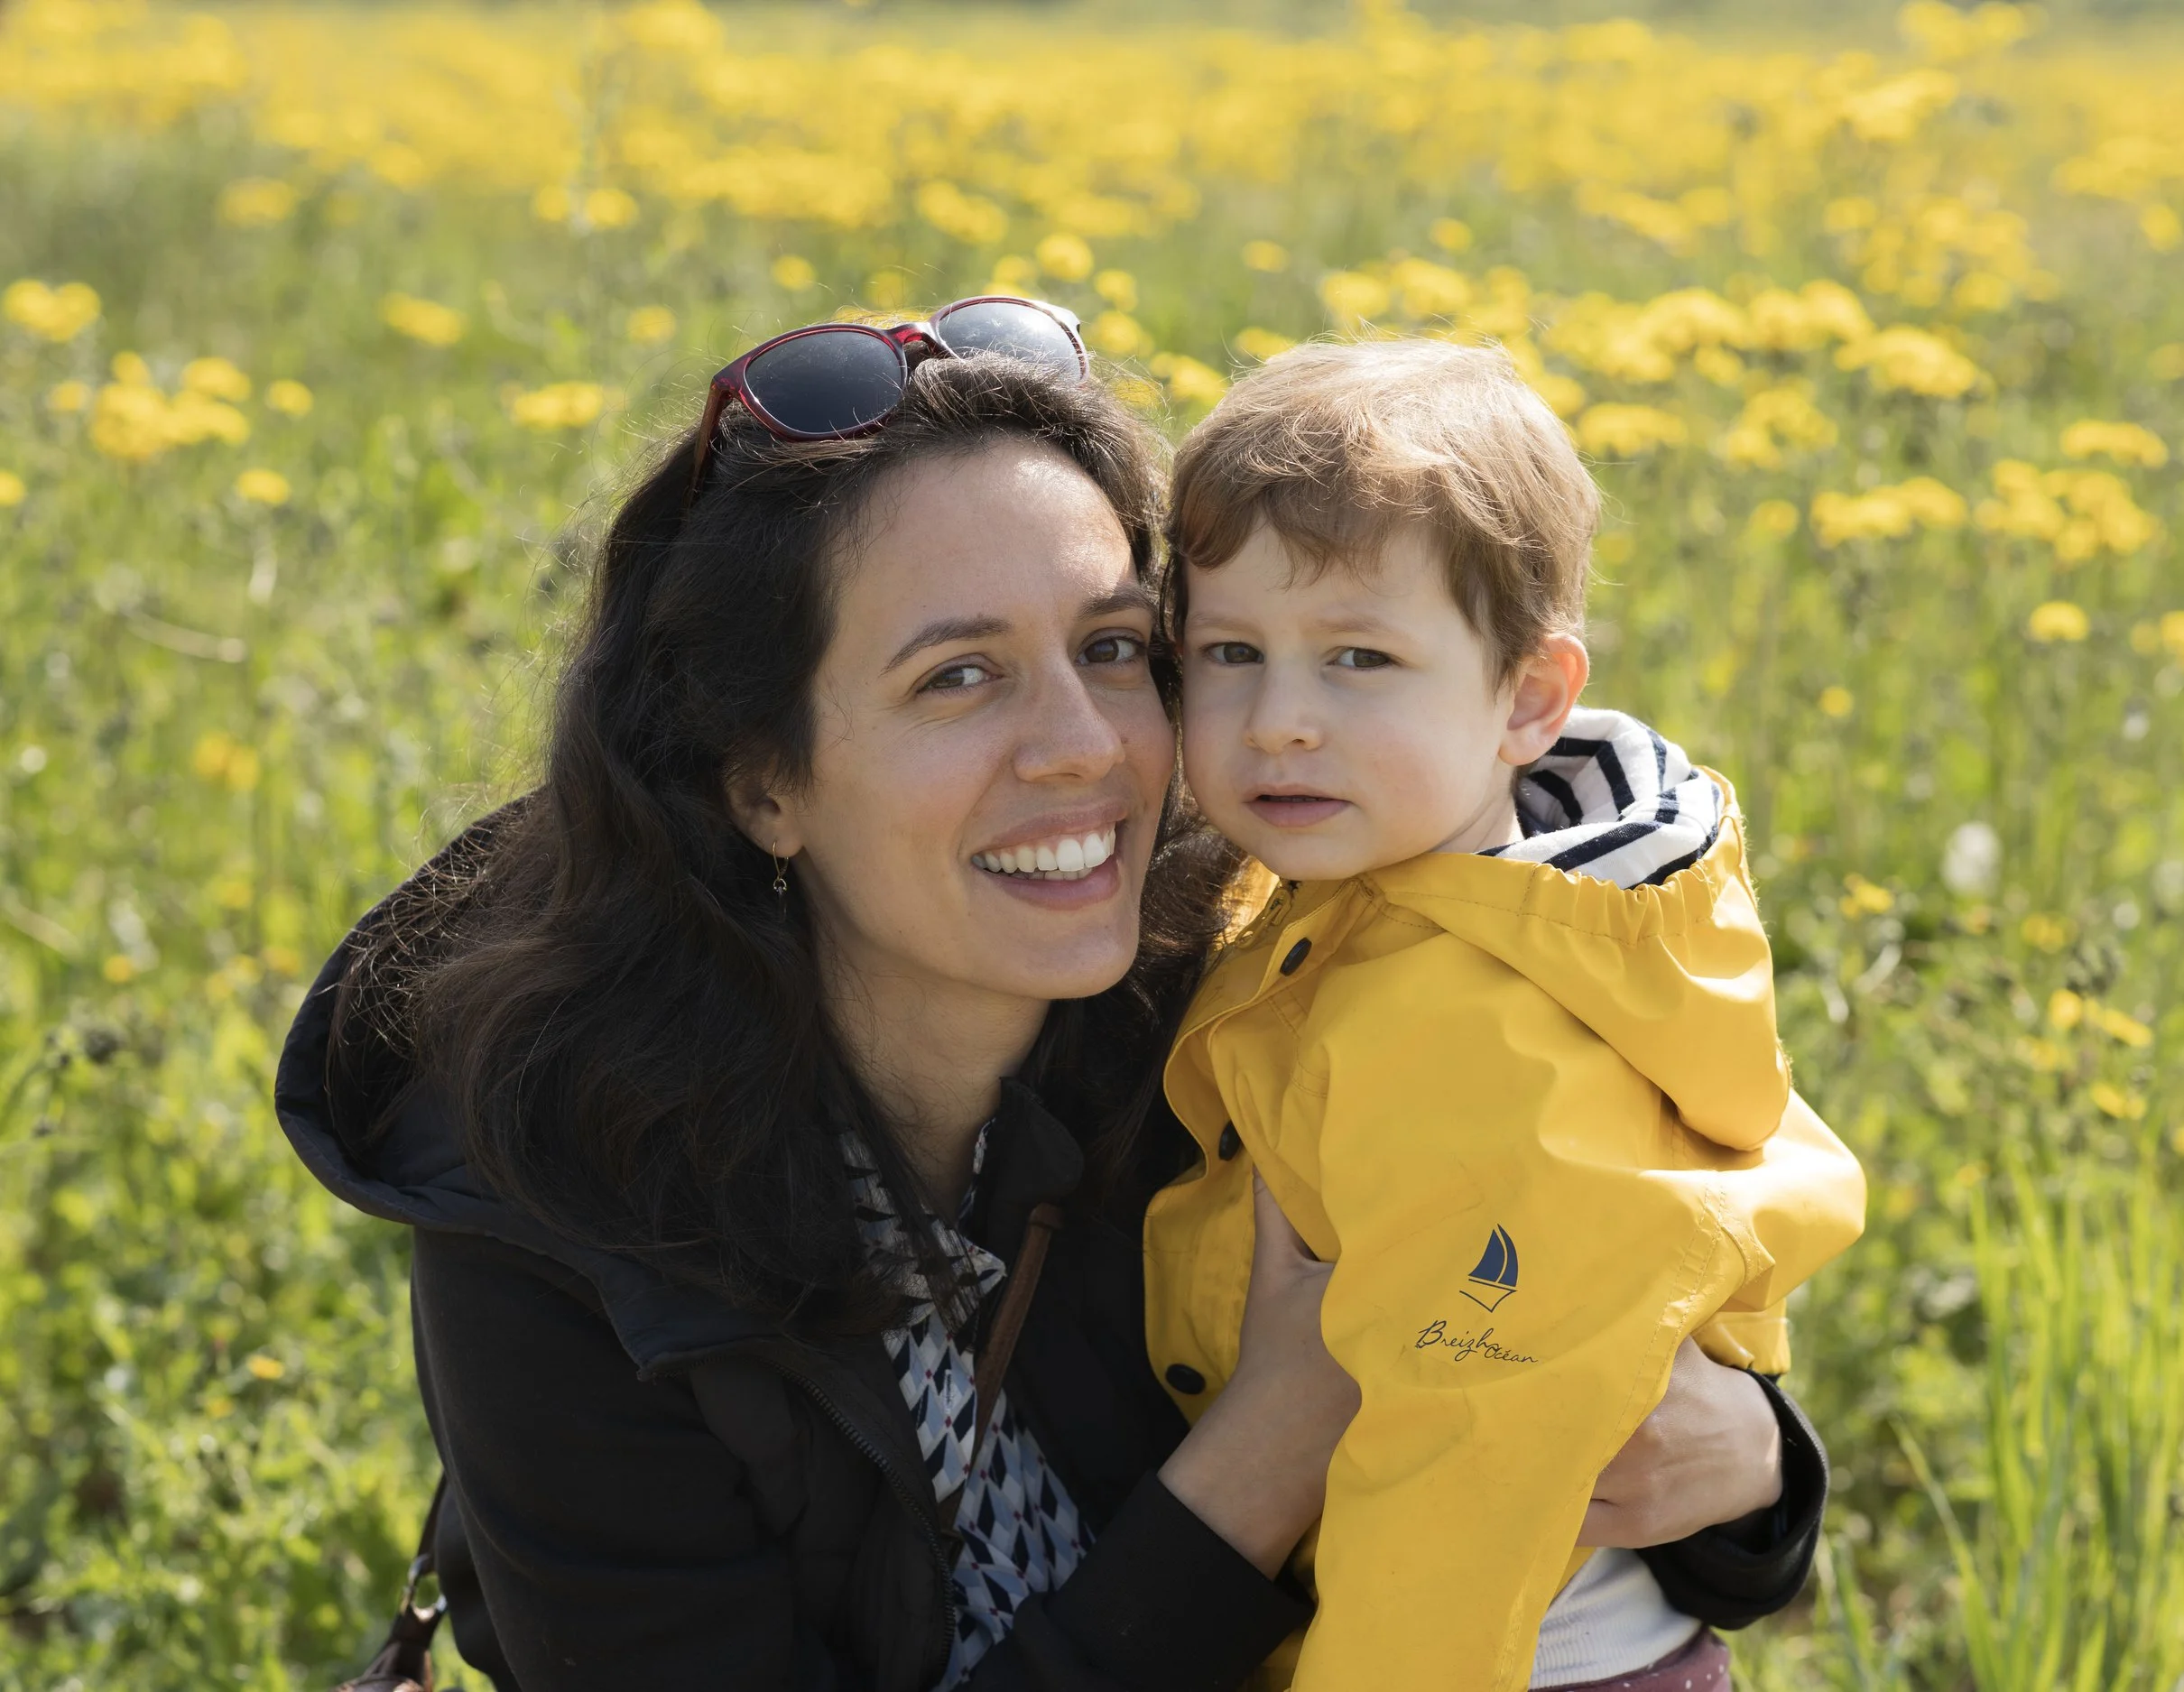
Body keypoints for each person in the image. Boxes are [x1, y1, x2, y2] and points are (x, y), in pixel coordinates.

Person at [275, 302, 1832, 1692]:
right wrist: (1279, 1434)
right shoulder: (558, 1211)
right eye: (960, 675)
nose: (1085, 744)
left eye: (1113, 646)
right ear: (762, 782)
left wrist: (1752, 1466)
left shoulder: (1250, 992)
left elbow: (1654, 1416)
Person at [1143, 338, 1867, 1692]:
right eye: (1231, 651)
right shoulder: (1393, 902)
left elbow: (1461, 1463)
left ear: (1530, 697)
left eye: (1359, 656)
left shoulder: (1482, 1018)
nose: (1281, 719)